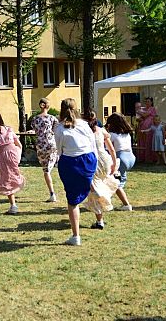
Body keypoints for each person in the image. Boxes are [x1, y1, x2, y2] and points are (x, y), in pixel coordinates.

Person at [55, 99, 97, 246]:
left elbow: (59, 150)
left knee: (72, 201)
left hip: (70, 162)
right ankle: (100, 217)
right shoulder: (84, 125)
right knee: (90, 187)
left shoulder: (60, 128)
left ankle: (76, 236)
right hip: (88, 160)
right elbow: (93, 145)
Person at [83, 110, 119, 230]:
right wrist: (113, 163)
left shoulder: (84, 132)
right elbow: (112, 149)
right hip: (105, 160)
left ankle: (100, 220)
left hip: (93, 161)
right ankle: (102, 199)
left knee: (94, 190)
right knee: (101, 183)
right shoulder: (101, 130)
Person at [0, 111, 25, 214]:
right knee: (12, 176)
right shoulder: (8, 129)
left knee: (7, 179)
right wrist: (18, 155)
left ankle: (13, 205)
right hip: (14, 153)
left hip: (3, 155)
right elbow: (19, 144)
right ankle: (13, 202)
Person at [31, 98, 59, 202]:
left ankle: (52, 193)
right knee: (52, 168)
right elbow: (57, 130)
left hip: (41, 145)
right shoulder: (52, 118)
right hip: (51, 144)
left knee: (46, 171)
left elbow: (35, 130)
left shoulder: (35, 119)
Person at [105, 112, 134, 211]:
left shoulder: (112, 135)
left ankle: (126, 204)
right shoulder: (127, 134)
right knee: (121, 178)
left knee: (115, 182)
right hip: (130, 157)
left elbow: (108, 149)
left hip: (121, 158)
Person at [136, 97, 157, 162]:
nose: (147, 103)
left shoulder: (152, 109)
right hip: (141, 127)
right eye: (146, 102)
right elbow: (138, 118)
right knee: (142, 142)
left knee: (148, 141)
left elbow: (145, 115)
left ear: (151, 102)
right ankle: (142, 157)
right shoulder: (143, 109)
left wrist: (138, 111)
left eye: (148, 101)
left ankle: (149, 157)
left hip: (149, 128)